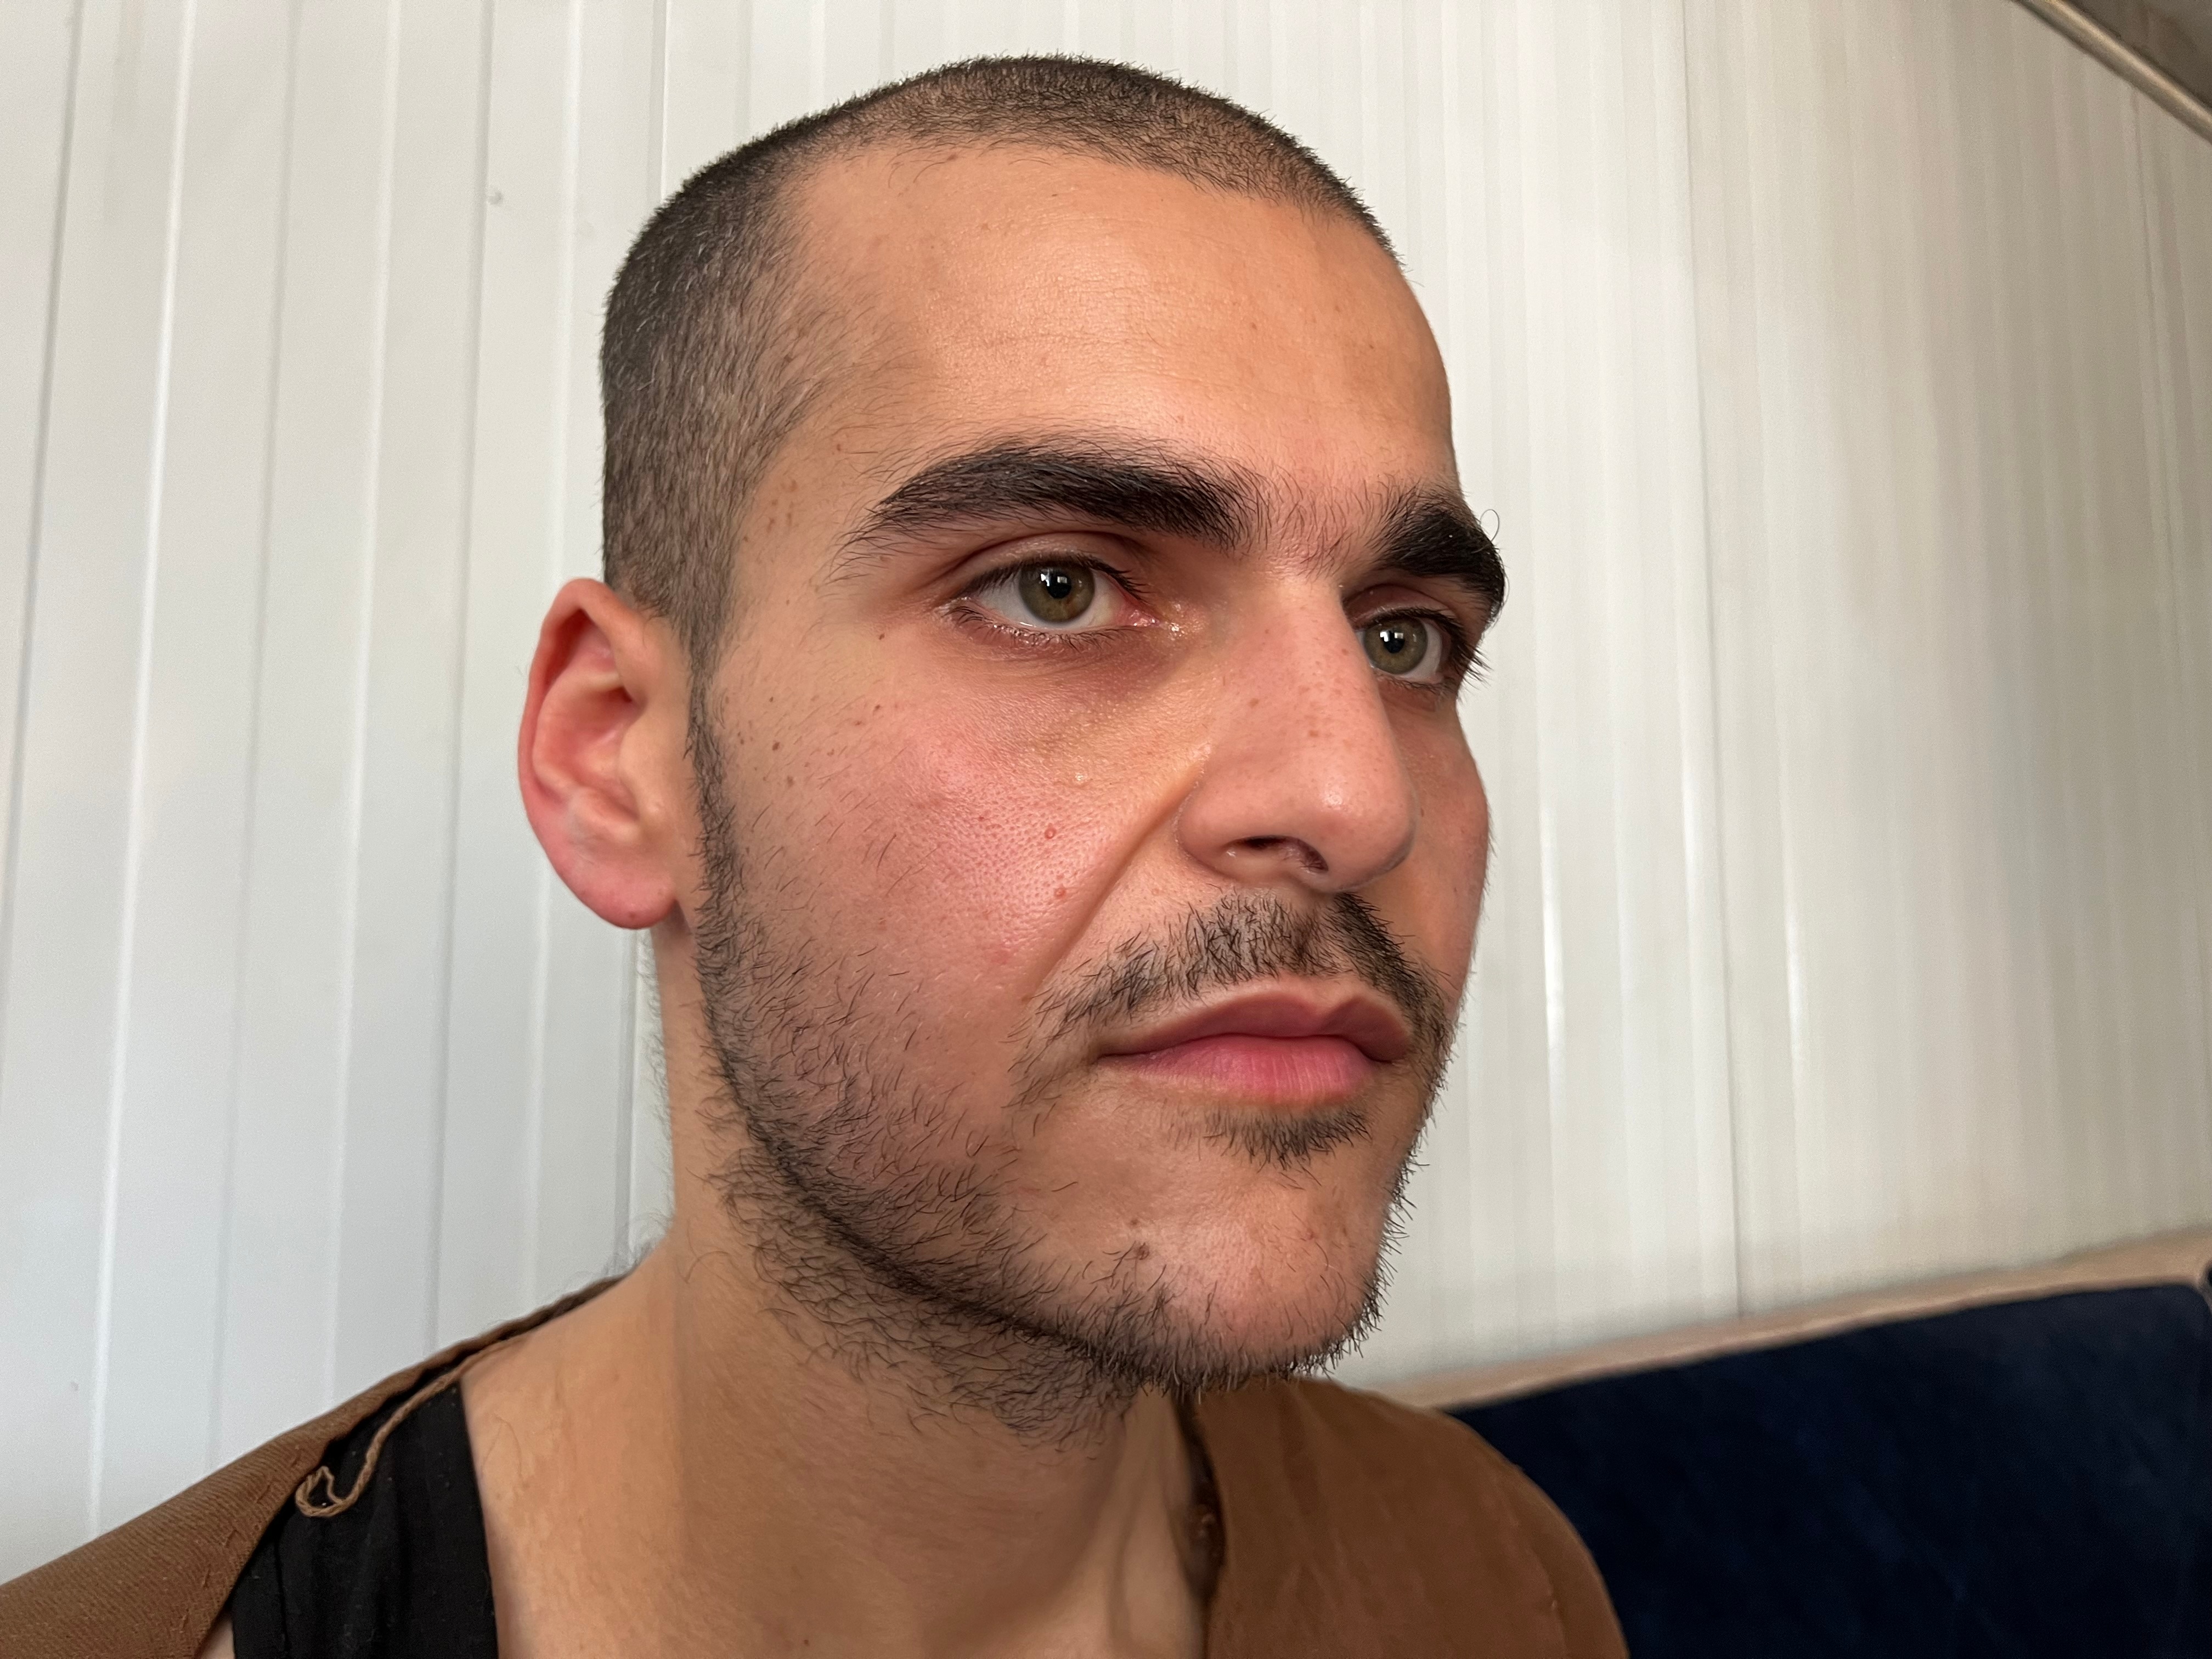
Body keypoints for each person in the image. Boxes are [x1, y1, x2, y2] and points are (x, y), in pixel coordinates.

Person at [1, 56, 1622, 1659]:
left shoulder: (1491, 1572)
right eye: (1056, 588)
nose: (1356, 797)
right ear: (619, 760)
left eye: (1405, 638)